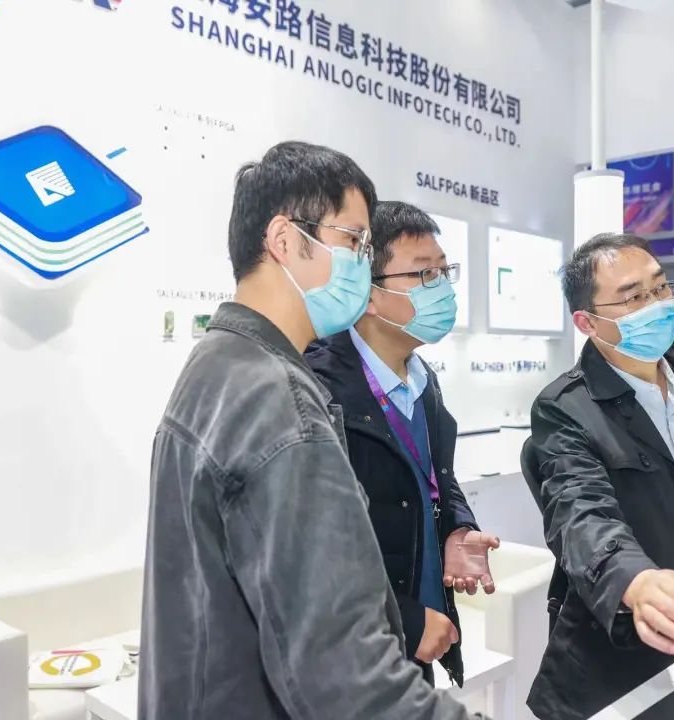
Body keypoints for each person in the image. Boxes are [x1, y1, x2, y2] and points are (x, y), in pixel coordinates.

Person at [139, 142, 480, 720]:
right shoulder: (283, 405)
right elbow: (347, 680)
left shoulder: (217, 363)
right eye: (353, 241)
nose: (361, 264)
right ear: (285, 239)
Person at [522, 233, 674, 720]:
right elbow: (580, 513)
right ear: (588, 322)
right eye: (633, 297)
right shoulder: (565, 407)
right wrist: (635, 580)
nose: (656, 305)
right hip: (623, 654)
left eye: (660, 288)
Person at [307, 201, 500, 687]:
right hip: (352, 654)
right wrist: (406, 620)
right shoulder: (319, 389)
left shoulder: (422, 379)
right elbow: (312, 546)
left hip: (417, 644)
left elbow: (436, 478)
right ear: (369, 292)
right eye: (423, 274)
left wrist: (456, 527)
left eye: (444, 272)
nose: (443, 289)